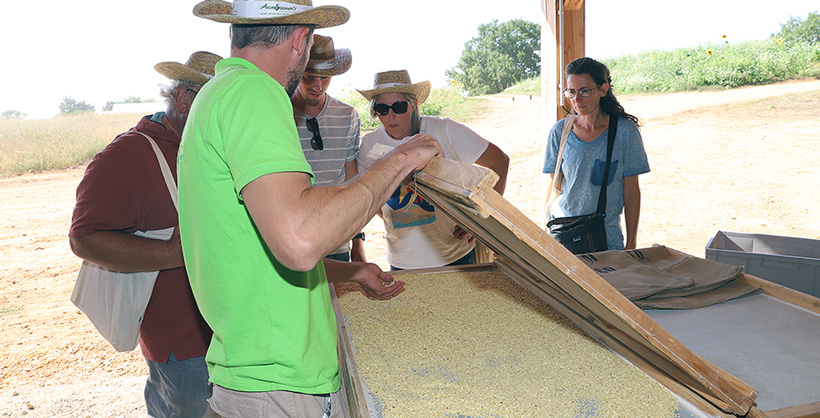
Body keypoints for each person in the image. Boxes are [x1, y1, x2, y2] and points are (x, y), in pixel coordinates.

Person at [178, 2, 442, 417]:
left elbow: (258, 246)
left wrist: (352, 269)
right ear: (302, 39)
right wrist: (402, 159)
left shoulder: (217, 93)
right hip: (281, 383)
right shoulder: (254, 92)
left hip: (253, 372)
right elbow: (300, 239)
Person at [69, 51, 221, 418]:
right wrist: (172, 254)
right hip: (183, 342)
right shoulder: (126, 155)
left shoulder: (208, 147)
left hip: (227, 332)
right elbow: (84, 238)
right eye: (215, 102)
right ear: (184, 99)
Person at [356, 70, 510, 270]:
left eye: (399, 107)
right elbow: (368, 196)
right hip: (401, 262)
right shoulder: (369, 145)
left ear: (414, 104)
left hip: (455, 256)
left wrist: (482, 218)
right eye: (382, 109)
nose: (391, 116)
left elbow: (500, 161)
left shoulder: (445, 130)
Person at [542, 57, 650, 251]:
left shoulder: (624, 132)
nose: (576, 99)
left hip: (605, 238)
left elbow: (632, 192)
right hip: (563, 233)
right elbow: (554, 184)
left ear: (603, 89)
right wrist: (545, 228)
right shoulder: (560, 131)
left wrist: (631, 242)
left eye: (584, 91)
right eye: (571, 92)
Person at [291, 34, 365, 262]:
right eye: (309, 76)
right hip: (293, 241)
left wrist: (358, 242)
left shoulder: (347, 115)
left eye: (325, 77)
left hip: (338, 241)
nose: (317, 85)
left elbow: (351, 180)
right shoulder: (278, 114)